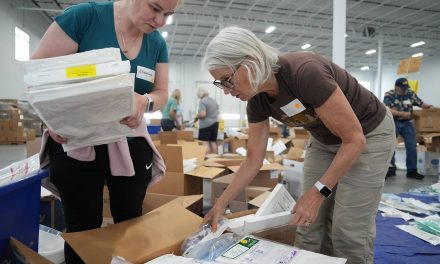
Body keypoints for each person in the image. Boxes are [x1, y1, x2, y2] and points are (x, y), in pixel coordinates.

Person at [201, 26, 395, 264]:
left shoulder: (305, 73)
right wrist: (220, 203)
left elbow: (354, 140)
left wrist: (318, 193)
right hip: (325, 140)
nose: (227, 91)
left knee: (347, 229)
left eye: (227, 80)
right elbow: (253, 160)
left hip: (368, 134)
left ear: (250, 61)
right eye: (220, 84)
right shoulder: (257, 101)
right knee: (306, 223)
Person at [31, 0, 179, 263]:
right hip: (76, 141)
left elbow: (162, 93)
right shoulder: (84, 18)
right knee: (82, 227)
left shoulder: (156, 43)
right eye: (155, 8)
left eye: (168, 14)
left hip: (130, 142)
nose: (160, 21)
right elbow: (38, 75)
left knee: (131, 222)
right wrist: (52, 116)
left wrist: (145, 101)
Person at [383, 77, 433, 180]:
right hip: (394, 122)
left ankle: (412, 171)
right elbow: (387, 110)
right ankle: (390, 170)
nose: (404, 89)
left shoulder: (410, 94)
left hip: (407, 124)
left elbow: (421, 103)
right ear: (396, 87)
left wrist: (430, 107)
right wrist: (402, 114)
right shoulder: (389, 95)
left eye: (406, 87)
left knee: (412, 146)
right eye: (402, 88)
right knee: (391, 146)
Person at [196, 87, 219, 154]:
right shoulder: (214, 100)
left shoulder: (202, 101)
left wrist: (197, 116)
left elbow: (203, 114)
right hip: (215, 123)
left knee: (204, 142)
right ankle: (215, 160)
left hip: (206, 125)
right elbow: (217, 112)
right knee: (213, 142)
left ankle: (207, 160)